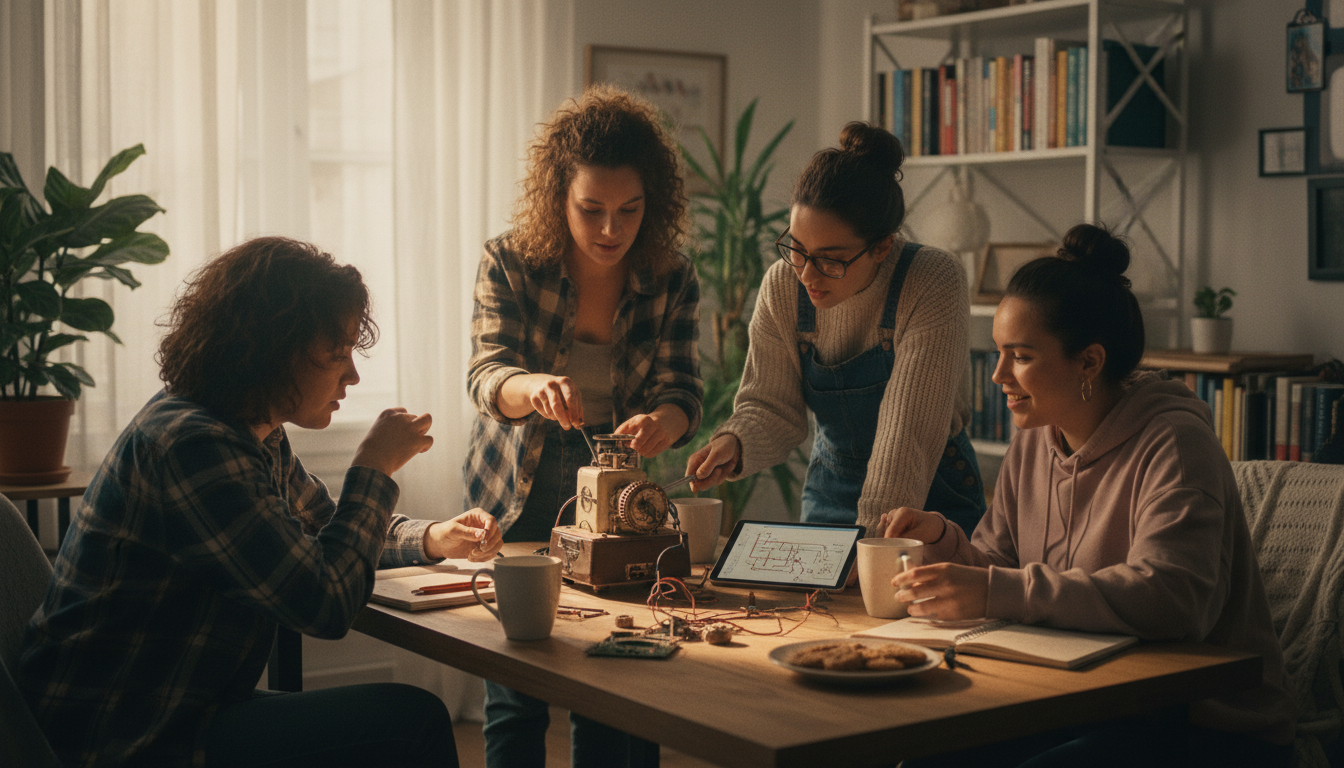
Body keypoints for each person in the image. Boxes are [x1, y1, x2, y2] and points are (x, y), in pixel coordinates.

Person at [17, 236, 504, 768]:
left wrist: (432, 539)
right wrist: (373, 469)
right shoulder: (194, 445)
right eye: (337, 353)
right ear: (274, 350)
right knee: (413, 723)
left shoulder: (248, 429)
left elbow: (324, 529)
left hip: (172, 704)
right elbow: (324, 601)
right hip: (121, 735)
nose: (353, 375)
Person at [885, 224, 1295, 767]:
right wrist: (946, 542)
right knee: (922, 756)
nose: (999, 375)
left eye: (1021, 356)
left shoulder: (1175, 442)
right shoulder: (1034, 438)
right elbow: (1001, 565)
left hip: (1205, 722)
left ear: (1090, 362)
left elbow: (1172, 599)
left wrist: (992, 591)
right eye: (1000, 353)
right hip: (1075, 702)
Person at [464, 85, 701, 768]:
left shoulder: (670, 277)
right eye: (590, 209)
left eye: (629, 210)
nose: (609, 229)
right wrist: (532, 386)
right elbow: (485, 376)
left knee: (620, 677)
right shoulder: (510, 260)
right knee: (518, 686)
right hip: (518, 485)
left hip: (620, 492)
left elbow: (683, 388)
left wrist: (665, 420)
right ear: (555, 197)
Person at [686, 121, 985, 538]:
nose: (807, 274)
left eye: (831, 259)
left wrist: (868, 546)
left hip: (929, 496)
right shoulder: (783, 284)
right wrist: (735, 444)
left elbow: (908, 434)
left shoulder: (932, 280)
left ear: (881, 246)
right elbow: (772, 405)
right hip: (830, 491)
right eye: (797, 249)